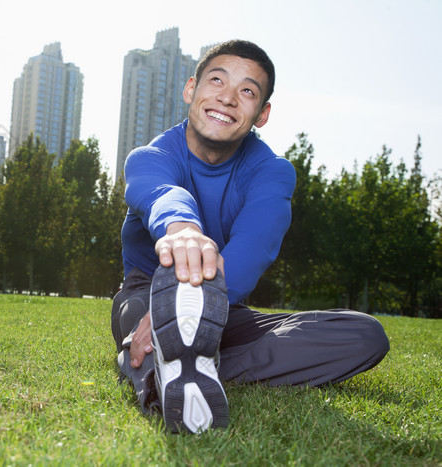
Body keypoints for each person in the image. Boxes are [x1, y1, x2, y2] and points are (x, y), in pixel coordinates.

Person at [111, 39, 390, 433]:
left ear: (262, 114)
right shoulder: (151, 157)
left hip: (225, 304)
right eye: (217, 81)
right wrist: (183, 231)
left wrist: (200, 307)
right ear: (191, 89)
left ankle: (191, 360)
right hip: (148, 292)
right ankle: (162, 371)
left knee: (364, 335)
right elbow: (159, 193)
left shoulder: (272, 172)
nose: (227, 98)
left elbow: (254, 246)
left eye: (247, 91)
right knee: (137, 317)